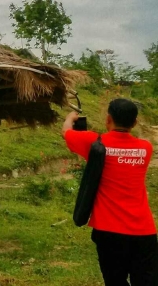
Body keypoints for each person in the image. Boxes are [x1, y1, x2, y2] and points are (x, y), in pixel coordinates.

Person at [63, 98, 158, 286]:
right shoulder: (145, 148)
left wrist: (71, 117)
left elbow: (66, 132)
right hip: (144, 230)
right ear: (135, 122)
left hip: (109, 230)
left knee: (115, 281)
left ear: (108, 119)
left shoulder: (95, 143)